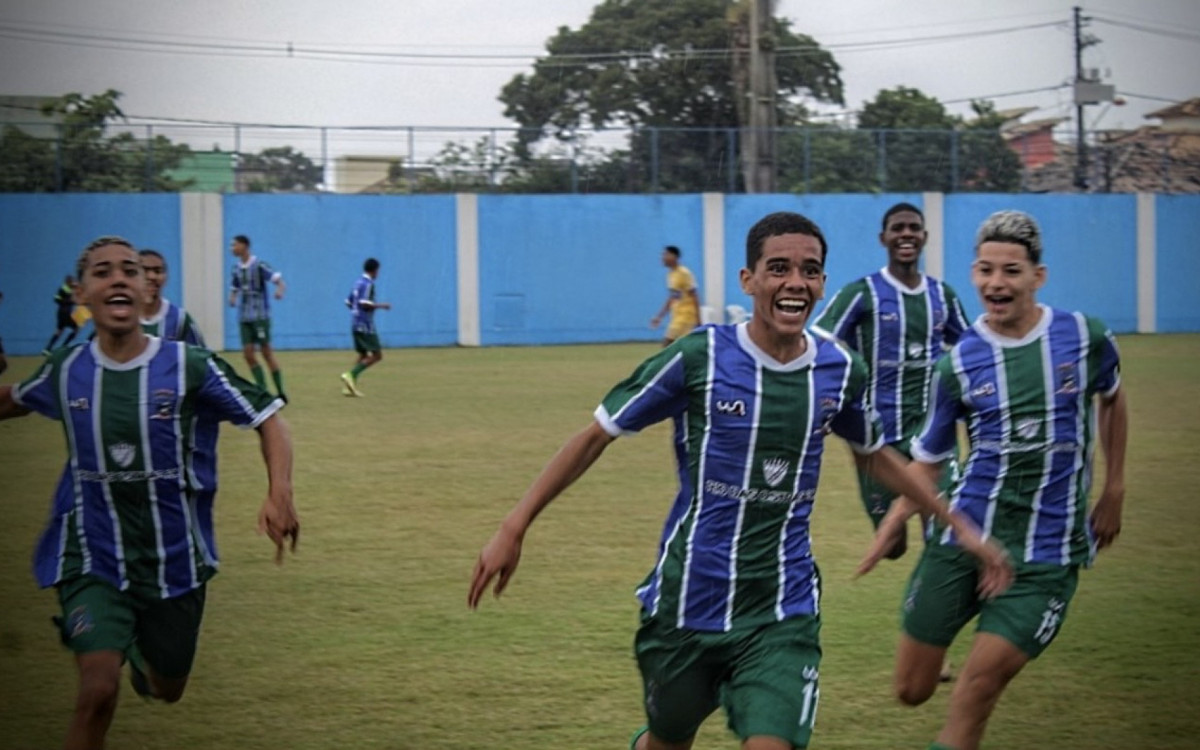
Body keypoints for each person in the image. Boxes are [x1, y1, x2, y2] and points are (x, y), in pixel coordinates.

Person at [469, 212, 1010, 750]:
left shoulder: (840, 369)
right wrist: (514, 526)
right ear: (748, 280)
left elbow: (875, 455)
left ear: (822, 283)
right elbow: (595, 435)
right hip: (685, 604)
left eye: (810, 271)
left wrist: (956, 524)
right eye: (778, 268)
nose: (795, 282)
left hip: (782, 608)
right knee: (666, 741)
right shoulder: (699, 358)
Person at [0, 236, 300, 750]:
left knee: (168, 687)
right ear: (82, 295)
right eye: (102, 271)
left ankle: (144, 659)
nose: (118, 277)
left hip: (174, 560)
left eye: (130, 270)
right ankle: (106, 642)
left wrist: (280, 493)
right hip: (90, 554)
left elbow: (268, 417)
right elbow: (11, 401)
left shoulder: (189, 365)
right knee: (96, 690)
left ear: (146, 291)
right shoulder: (65, 369)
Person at [858, 210, 1128, 750]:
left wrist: (1114, 488)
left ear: (1037, 276)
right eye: (984, 270)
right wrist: (894, 519)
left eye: (1010, 271)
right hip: (963, 543)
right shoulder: (958, 364)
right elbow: (930, 459)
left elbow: (1113, 398)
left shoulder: (1084, 337)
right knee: (911, 690)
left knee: (975, 690)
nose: (995, 284)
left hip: (1045, 556)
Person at [813, 202, 970, 559]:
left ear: (924, 237)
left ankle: (935, 597)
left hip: (932, 434)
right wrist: (823, 403)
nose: (906, 234)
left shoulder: (942, 296)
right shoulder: (862, 293)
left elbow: (973, 351)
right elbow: (822, 345)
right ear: (884, 238)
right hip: (877, 439)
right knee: (893, 547)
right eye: (898, 228)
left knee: (945, 531)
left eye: (913, 228)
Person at [229, 234, 287, 401]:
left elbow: (279, 280)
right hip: (244, 317)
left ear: (244, 246)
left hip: (260, 316)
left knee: (266, 352)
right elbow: (234, 287)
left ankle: (281, 392)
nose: (232, 248)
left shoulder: (259, 265)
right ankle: (262, 390)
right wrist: (232, 297)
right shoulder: (236, 269)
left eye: (235, 245)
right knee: (248, 354)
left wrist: (280, 290)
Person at [340, 257, 392, 397]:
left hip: (355, 322)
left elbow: (348, 302)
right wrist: (382, 306)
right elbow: (364, 303)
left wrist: (356, 312)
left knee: (363, 355)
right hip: (365, 324)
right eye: (378, 271)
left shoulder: (357, 283)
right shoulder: (368, 284)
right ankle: (351, 374)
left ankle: (349, 386)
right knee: (377, 355)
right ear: (375, 270)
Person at [139, 249, 207, 345]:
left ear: (166, 277)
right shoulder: (121, 318)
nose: (152, 276)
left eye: (157, 271)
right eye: (144, 271)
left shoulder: (180, 319)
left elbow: (202, 356)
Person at [649, 245, 701, 347]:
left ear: (674, 256)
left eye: (666, 254)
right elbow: (673, 297)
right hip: (677, 315)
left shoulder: (684, 273)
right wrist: (659, 317)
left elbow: (694, 295)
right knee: (680, 347)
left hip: (686, 316)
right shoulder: (671, 274)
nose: (663, 257)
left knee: (667, 344)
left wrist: (699, 320)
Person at [43, 275, 81, 354]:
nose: (73, 282)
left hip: (60, 313)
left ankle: (47, 349)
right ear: (68, 282)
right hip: (66, 313)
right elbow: (57, 299)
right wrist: (70, 302)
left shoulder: (66, 289)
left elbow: (57, 299)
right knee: (76, 328)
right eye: (72, 281)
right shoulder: (65, 290)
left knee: (59, 331)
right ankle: (64, 347)